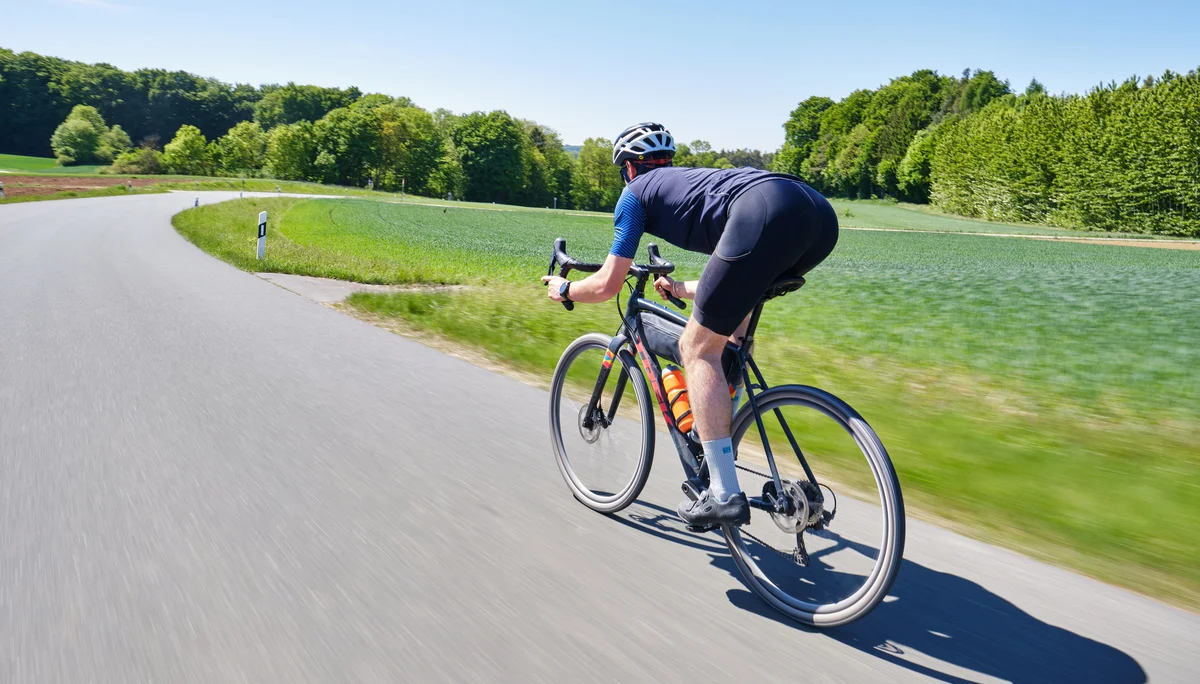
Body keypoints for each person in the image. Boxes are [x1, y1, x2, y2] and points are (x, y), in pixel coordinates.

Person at [541, 122, 839, 527]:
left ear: (628, 168)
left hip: (765, 210)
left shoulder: (635, 194)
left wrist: (565, 288)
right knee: (731, 337)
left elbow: (609, 285)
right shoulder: (691, 183)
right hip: (816, 214)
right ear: (665, 161)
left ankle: (722, 491)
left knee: (696, 349)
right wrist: (681, 288)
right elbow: (738, 270)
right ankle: (717, 436)